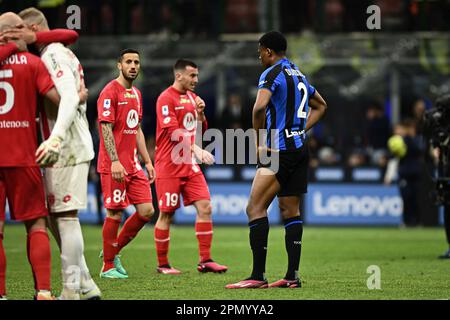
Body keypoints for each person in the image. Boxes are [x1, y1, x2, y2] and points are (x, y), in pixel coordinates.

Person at [226, 31, 327, 289]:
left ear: (268, 51)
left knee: (254, 208)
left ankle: (257, 277)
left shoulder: (271, 73)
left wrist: (259, 142)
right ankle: (292, 276)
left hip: (278, 150)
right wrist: (300, 130)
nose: (259, 55)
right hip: (299, 149)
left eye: (260, 51)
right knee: (290, 210)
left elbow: (258, 108)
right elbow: (321, 105)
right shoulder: (298, 73)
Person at [17, 7, 101, 300]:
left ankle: (70, 290)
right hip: (62, 146)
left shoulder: (53, 53)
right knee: (57, 218)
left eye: (20, 31)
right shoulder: (54, 51)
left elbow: (68, 98)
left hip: (66, 147)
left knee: (65, 218)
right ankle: (87, 285)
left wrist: (54, 138)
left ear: (32, 27)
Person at [0, 12, 62, 300]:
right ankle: (44, 292)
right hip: (24, 156)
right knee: (36, 224)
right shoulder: (33, 64)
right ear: (15, 31)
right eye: (21, 29)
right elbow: (60, 101)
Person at [153, 59, 227, 274]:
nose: (196, 79)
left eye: (197, 75)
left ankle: (206, 260)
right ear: (179, 76)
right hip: (169, 165)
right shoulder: (165, 99)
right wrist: (197, 150)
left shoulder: (193, 98)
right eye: (192, 75)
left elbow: (199, 130)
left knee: (206, 208)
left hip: (189, 164)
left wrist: (201, 115)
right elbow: (173, 132)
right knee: (166, 214)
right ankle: (163, 265)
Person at [97, 49, 155, 279]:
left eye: (137, 62)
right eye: (128, 62)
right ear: (119, 65)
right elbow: (105, 127)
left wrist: (148, 161)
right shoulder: (110, 91)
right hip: (113, 165)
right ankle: (107, 266)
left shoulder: (137, 95)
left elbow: (137, 129)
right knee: (114, 213)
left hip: (133, 165)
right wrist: (114, 161)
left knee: (147, 210)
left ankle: (112, 251)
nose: (133, 65)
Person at [387, 120, 424, 227]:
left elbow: (418, 151)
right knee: (406, 198)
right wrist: (389, 176)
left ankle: (417, 221)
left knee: (415, 198)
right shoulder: (396, 142)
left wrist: (408, 139)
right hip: (404, 174)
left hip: (415, 173)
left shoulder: (416, 140)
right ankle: (406, 221)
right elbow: (393, 158)